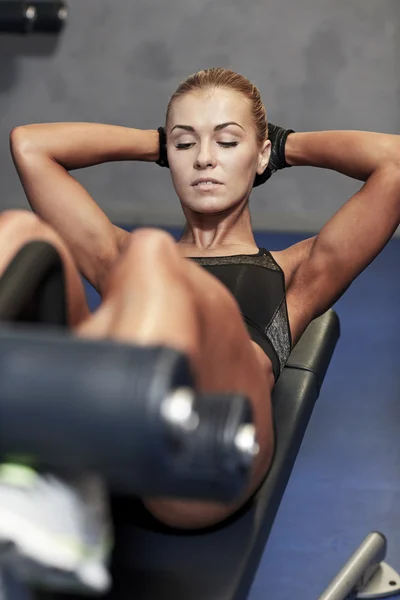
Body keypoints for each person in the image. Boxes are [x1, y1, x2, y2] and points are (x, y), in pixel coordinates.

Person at [1, 67, 399, 591]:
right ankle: (74, 460)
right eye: (185, 144)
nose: (205, 159)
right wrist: (157, 143)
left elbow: (393, 162)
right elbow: (30, 146)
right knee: (20, 233)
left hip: (203, 453)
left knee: (149, 251)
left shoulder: (294, 273)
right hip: (112, 424)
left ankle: (76, 469)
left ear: (259, 155)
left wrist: (282, 146)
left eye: (228, 141)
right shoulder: (120, 255)